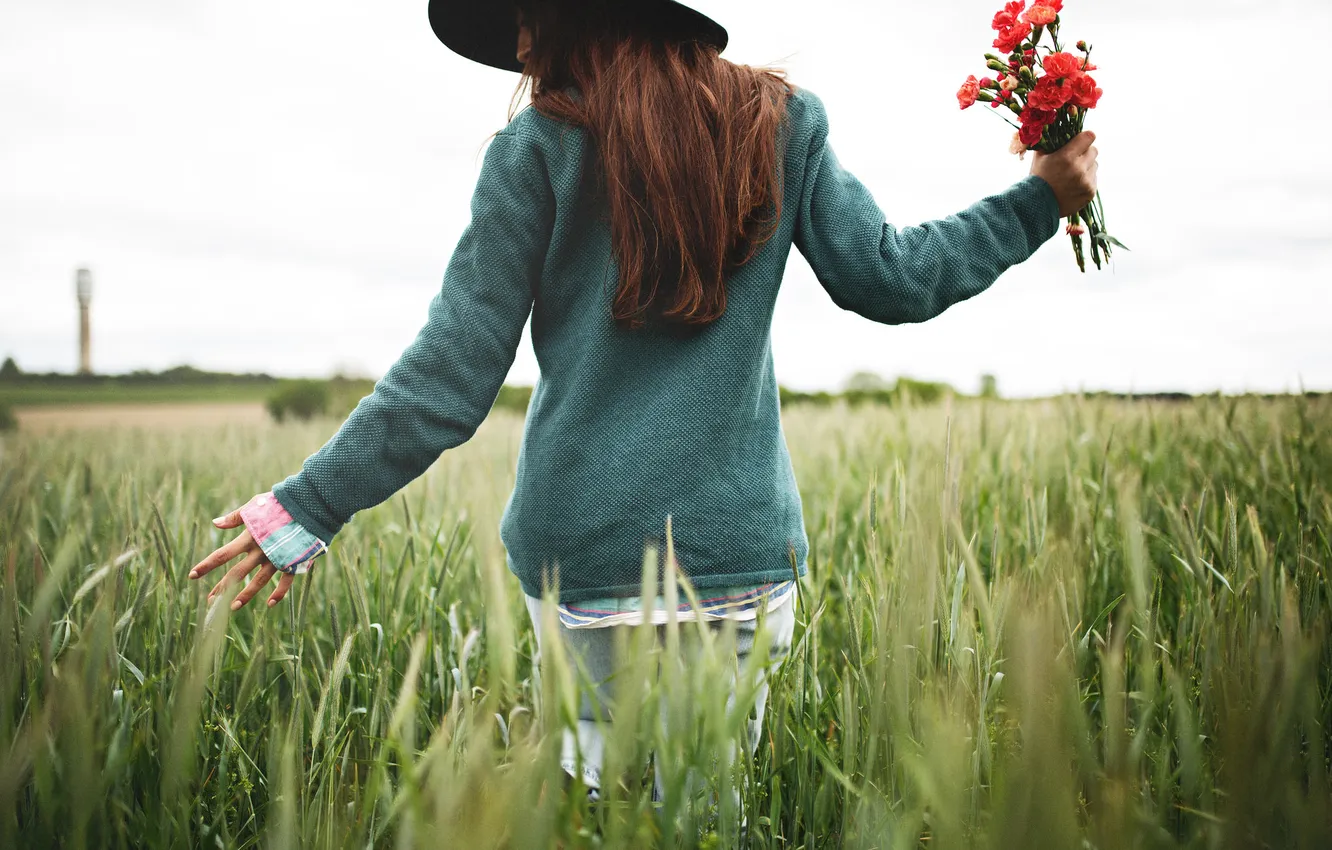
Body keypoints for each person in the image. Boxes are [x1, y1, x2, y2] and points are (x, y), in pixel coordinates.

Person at [189, 0, 1097, 821]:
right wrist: (1039, 202)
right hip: (736, 562)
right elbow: (894, 277)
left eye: (523, 14)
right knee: (705, 815)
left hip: (580, 565)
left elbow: (451, 373)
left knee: (592, 805)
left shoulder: (536, 148)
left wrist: (309, 504)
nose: (516, 41)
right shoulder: (783, 124)